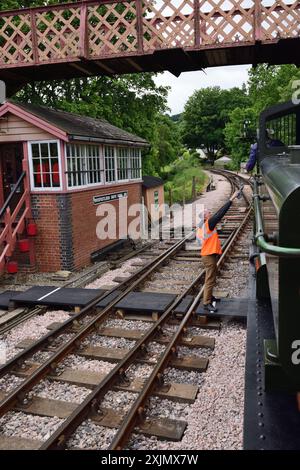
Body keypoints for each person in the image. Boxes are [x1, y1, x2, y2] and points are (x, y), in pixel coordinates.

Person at [196, 189, 240, 313]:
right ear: (205, 216)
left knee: (212, 276)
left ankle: (210, 297)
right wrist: (231, 199)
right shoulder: (208, 224)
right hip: (208, 256)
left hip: (209, 254)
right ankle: (206, 303)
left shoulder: (203, 224)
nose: (210, 212)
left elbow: (216, 214)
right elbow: (220, 214)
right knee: (210, 279)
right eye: (208, 212)